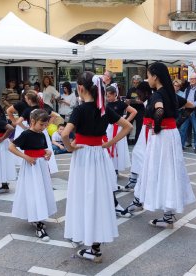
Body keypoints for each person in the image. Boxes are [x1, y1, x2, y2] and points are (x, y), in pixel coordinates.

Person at [62, 72, 132, 262]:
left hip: (83, 155)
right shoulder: (104, 109)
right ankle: (95, 246)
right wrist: (110, 143)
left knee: (82, 195)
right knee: (98, 197)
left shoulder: (79, 109)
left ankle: (86, 237)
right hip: (99, 156)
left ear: (81, 88)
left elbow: (64, 135)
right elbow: (128, 126)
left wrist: (70, 148)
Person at [127, 62, 196, 229]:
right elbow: (191, 106)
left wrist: (157, 127)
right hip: (170, 135)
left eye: (149, 75)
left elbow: (159, 110)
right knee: (170, 171)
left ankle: (152, 206)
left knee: (156, 169)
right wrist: (177, 122)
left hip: (161, 137)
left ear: (155, 76)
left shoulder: (157, 95)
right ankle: (167, 213)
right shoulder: (171, 93)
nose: (147, 78)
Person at [9, 109, 56, 242]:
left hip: (40, 167)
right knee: (34, 192)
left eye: (46, 125)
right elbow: (11, 147)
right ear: (33, 121)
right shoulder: (26, 134)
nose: (44, 127)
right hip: (31, 167)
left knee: (42, 191)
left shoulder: (42, 134)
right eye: (42, 125)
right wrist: (26, 157)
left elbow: (42, 148)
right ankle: (38, 224)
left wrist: (47, 153)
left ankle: (38, 217)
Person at [17, 91, 59, 174]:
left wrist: (25, 127)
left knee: (40, 149)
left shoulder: (27, 110)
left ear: (29, 100)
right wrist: (46, 125)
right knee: (43, 148)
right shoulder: (43, 109)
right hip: (42, 132)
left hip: (33, 131)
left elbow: (18, 121)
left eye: (26, 99)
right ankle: (47, 169)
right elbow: (55, 115)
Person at [124, 81, 153, 191]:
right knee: (137, 153)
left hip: (151, 130)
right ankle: (135, 178)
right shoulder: (149, 99)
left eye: (139, 93)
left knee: (143, 155)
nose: (138, 97)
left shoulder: (155, 98)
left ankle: (142, 180)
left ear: (145, 92)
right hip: (147, 129)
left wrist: (158, 126)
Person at [106, 86, 137, 174]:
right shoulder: (107, 105)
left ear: (115, 94)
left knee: (118, 147)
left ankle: (116, 168)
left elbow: (134, 111)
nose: (107, 98)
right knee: (110, 146)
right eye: (106, 96)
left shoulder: (121, 103)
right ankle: (110, 165)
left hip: (119, 129)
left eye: (109, 96)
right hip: (110, 128)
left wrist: (125, 122)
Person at [179, 73, 196, 153]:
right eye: (190, 79)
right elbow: (183, 98)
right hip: (186, 111)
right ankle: (181, 146)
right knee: (183, 129)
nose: (191, 80)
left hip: (195, 111)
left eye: (193, 78)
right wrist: (184, 104)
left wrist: (191, 105)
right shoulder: (187, 88)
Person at [125, 75, 144, 144]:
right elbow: (126, 100)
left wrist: (132, 100)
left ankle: (137, 142)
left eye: (137, 82)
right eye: (134, 82)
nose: (135, 84)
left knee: (139, 127)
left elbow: (142, 101)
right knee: (128, 125)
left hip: (140, 110)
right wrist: (134, 101)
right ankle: (126, 141)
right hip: (131, 110)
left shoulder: (143, 90)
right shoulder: (130, 89)